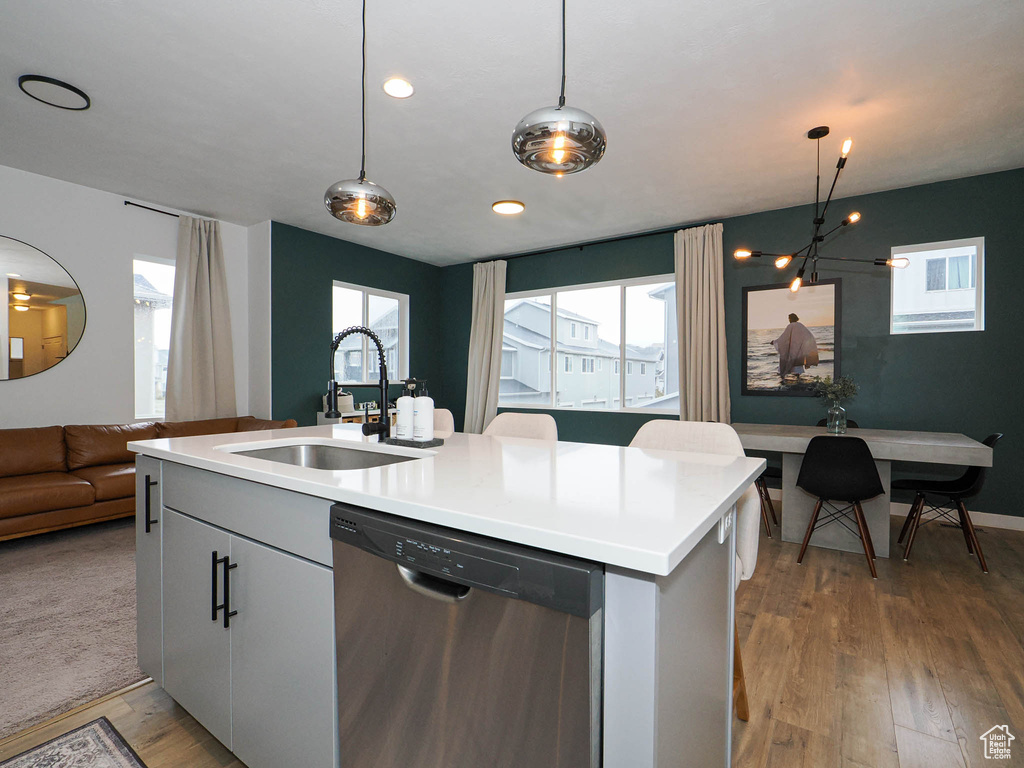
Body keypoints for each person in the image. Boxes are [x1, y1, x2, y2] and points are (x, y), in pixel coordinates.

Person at [772, 313, 819, 378]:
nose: (789, 320)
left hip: (792, 349)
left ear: (792, 318)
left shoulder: (791, 326)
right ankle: (798, 378)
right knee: (798, 363)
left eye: (789, 318)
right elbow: (809, 335)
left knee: (789, 360)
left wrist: (775, 342)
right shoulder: (800, 325)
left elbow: (784, 338)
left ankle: (784, 379)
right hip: (799, 349)